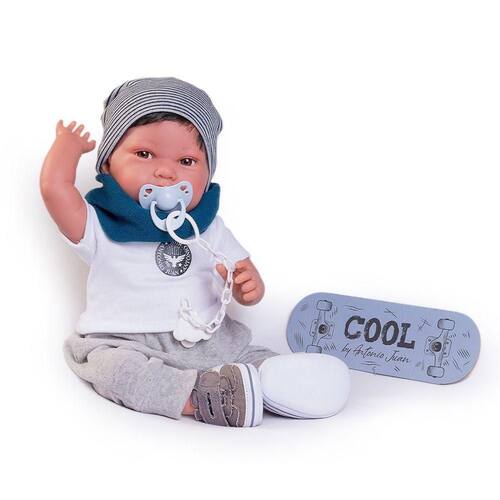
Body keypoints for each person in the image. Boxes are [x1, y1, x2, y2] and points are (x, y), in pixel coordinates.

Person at [40, 77, 350, 427]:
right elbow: (55, 189)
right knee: (114, 370)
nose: (166, 172)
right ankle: (201, 398)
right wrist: (66, 147)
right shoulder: (98, 224)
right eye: (144, 154)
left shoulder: (206, 227)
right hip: (124, 342)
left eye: (187, 161)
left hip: (207, 339)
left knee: (246, 357)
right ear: (107, 163)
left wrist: (249, 286)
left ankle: (281, 382)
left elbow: (241, 272)